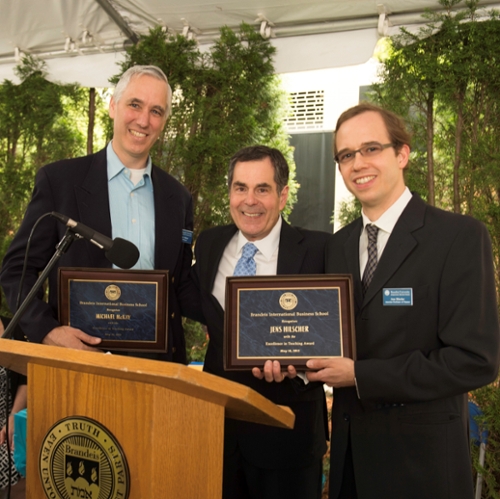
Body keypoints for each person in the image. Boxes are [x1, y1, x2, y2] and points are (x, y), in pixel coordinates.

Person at [306, 102, 500, 498]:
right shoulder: (337, 246)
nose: (358, 163)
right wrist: (294, 362)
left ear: (402, 153)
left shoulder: (458, 237)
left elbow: (475, 361)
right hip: (350, 467)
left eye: (371, 148)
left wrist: (361, 376)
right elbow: (331, 339)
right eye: (346, 155)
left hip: (421, 468)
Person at [0, 65, 199, 363]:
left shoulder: (178, 198)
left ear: (165, 121)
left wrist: (243, 326)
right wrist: (48, 332)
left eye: (156, 111)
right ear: (112, 105)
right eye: (135, 105)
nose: (143, 120)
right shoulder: (60, 182)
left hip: (158, 371)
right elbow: (18, 270)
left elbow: (181, 285)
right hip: (79, 364)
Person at [192, 145, 331, 499]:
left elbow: (335, 333)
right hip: (217, 433)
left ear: (283, 195)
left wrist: (299, 367)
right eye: (240, 188)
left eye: (262, 189)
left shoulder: (319, 251)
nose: (249, 201)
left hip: (287, 437)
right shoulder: (209, 244)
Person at [0, 301, 27, 499]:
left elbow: (25, 379)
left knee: (19, 459)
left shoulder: (14, 328)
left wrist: (12, 416)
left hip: (8, 421)